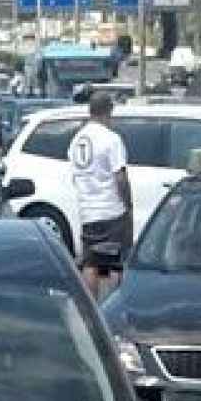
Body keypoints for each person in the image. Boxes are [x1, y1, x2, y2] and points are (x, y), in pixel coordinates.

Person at [68, 91, 132, 298]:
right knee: (115, 263)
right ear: (108, 111)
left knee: (91, 262)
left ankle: (92, 308)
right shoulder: (111, 139)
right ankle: (113, 305)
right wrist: (128, 204)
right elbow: (120, 177)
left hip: (88, 210)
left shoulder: (77, 140)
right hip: (111, 209)